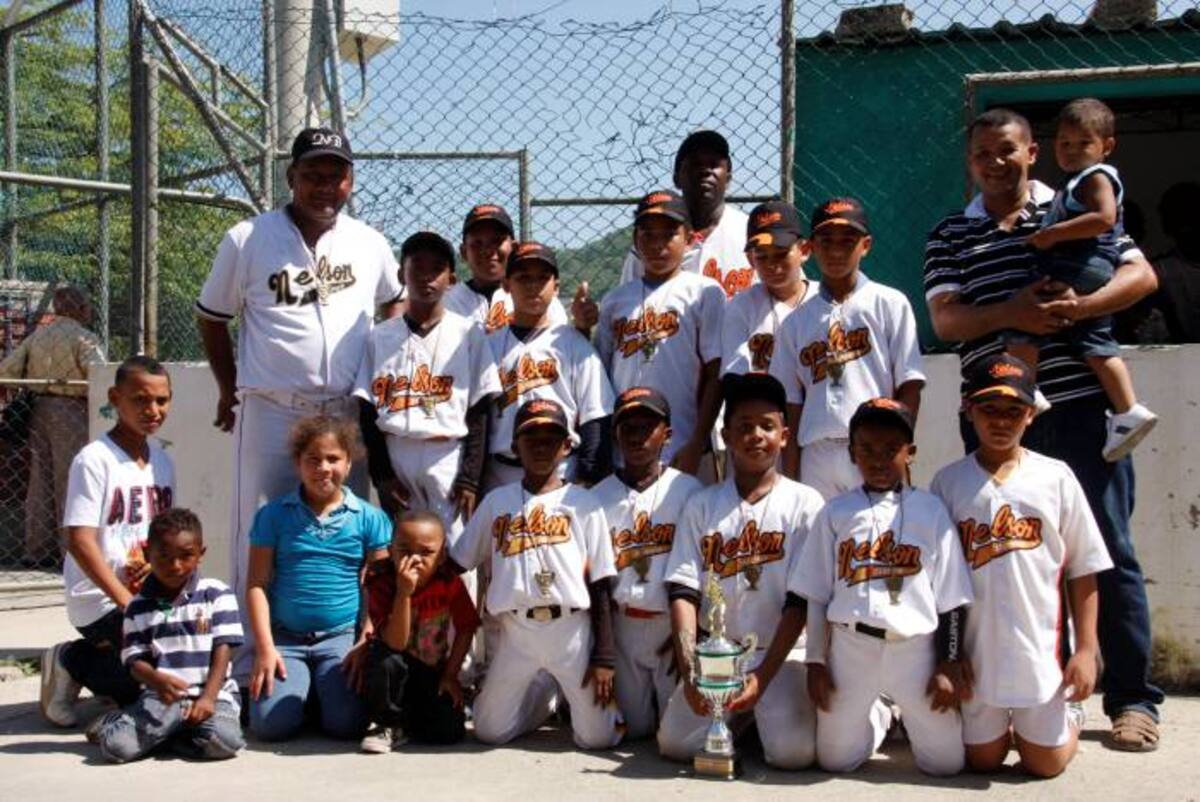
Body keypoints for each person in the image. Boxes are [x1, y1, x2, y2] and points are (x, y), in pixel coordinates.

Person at [923, 107, 1164, 751]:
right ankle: (1012, 694)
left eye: (1007, 150)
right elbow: (947, 323)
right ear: (969, 162)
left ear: (1032, 152)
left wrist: (1078, 308)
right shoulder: (951, 233)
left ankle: (1133, 700)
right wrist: (1017, 313)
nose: (994, 163)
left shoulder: (1074, 203)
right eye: (981, 155)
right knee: (997, 558)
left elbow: (1141, 276)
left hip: (1083, 408)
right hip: (995, 415)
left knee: (1106, 551)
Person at [194, 127, 403, 684]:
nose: (324, 185)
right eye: (312, 173)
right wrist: (227, 387)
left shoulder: (369, 242)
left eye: (335, 174)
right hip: (271, 407)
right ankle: (245, 664)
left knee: (351, 531)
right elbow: (213, 317)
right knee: (256, 529)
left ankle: (353, 649)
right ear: (290, 178)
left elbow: (394, 307)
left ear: (350, 181)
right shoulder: (248, 237)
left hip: (343, 411)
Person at [932, 354, 1112, 777]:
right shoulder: (949, 482)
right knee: (982, 760)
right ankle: (1005, 729)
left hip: (1041, 651)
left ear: (1031, 415)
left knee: (1044, 765)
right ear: (968, 410)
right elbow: (941, 580)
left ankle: (1069, 718)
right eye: (989, 409)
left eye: (1014, 411)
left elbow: (1083, 567)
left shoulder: (1056, 477)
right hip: (978, 654)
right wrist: (947, 656)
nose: (1001, 421)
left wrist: (1086, 649)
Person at [791, 398, 972, 776]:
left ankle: (900, 709)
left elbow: (952, 597)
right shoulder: (836, 513)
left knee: (946, 765)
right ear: (852, 453)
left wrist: (948, 662)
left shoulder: (931, 510)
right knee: (835, 761)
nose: (878, 459)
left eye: (891, 449)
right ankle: (883, 716)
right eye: (867, 449)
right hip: (851, 647)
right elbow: (817, 595)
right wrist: (815, 662)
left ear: (911, 453)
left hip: (915, 649)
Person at [656, 373, 824, 770]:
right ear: (727, 437)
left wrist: (762, 679)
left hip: (781, 657)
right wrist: (690, 669)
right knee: (674, 744)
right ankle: (741, 720)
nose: (755, 436)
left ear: (784, 435)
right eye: (744, 427)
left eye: (767, 426)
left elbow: (800, 602)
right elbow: (683, 592)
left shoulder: (805, 504)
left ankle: (757, 717)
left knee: (793, 755)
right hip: (718, 656)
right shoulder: (702, 504)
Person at [450, 398, 622, 749]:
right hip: (516, 631)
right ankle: (546, 698)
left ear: (567, 446)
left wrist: (603, 655)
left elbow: (602, 582)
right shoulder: (497, 502)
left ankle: (573, 698)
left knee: (597, 739)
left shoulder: (584, 503)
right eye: (532, 438)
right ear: (515, 447)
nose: (541, 447)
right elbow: (457, 563)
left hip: (571, 630)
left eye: (551, 439)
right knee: (489, 731)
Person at [1005, 98, 1156, 459]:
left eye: (1083, 143)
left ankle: (1026, 389)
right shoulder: (1073, 183)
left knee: (1027, 321)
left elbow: (1104, 219)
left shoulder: (1096, 178)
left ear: (1107, 146)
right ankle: (1127, 410)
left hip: (1080, 265)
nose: (1071, 151)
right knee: (1094, 341)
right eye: (1064, 143)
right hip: (1085, 267)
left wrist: (1052, 235)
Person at [40, 356, 175, 728]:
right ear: (115, 398)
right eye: (140, 400)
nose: (152, 410)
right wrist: (125, 600)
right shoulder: (94, 460)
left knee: (186, 654)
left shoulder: (162, 461)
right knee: (148, 686)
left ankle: (107, 664)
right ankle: (72, 660)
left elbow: (161, 534)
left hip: (142, 592)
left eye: (161, 400)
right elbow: (79, 540)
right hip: (99, 597)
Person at [245, 416, 392, 742]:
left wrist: (364, 642)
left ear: (349, 463)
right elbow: (256, 584)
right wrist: (265, 648)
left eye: (333, 459)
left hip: (340, 640)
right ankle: (302, 691)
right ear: (298, 463)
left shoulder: (370, 518)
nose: (323, 468)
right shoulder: (273, 515)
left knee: (347, 725)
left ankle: (318, 694)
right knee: (270, 726)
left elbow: (381, 590)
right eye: (313, 459)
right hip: (286, 640)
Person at [769, 197, 925, 500]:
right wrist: (789, 474)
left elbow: (910, 384)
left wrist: (899, 447)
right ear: (810, 247)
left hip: (874, 447)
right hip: (816, 451)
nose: (836, 250)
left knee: (877, 538)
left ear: (865, 245)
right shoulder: (795, 322)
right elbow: (791, 403)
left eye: (848, 240)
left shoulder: (889, 303)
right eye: (826, 240)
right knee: (820, 540)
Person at [356, 231, 498, 531]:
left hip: (447, 453)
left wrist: (470, 478)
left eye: (437, 268)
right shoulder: (379, 337)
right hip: (397, 452)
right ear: (400, 274)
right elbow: (367, 411)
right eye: (417, 266)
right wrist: (381, 474)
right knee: (403, 547)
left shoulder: (469, 334)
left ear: (452, 278)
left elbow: (480, 410)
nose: (426, 276)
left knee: (455, 553)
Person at [590, 387, 701, 738]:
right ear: (615, 435)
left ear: (667, 434)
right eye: (628, 428)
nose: (637, 436)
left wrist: (692, 635)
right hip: (622, 626)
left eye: (647, 427)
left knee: (678, 729)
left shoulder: (690, 492)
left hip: (670, 623)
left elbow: (705, 570)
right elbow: (597, 582)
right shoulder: (595, 499)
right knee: (635, 730)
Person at [93, 508, 245, 763]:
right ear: (146, 554)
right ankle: (117, 722)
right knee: (117, 748)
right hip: (161, 699)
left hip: (214, 697)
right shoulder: (136, 607)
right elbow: (133, 660)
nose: (175, 566)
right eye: (164, 556)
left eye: (186, 556)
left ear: (200, 555)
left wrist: (208, 697)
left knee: (225, 742)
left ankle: (167, 737)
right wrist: (156, 680)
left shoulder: (217, 594)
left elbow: (224, 648)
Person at [594, 189, 725, 476]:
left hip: (685, 444)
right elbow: (600, 380)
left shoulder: (704, 293)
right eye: (648, 234)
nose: (657, 244)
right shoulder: (615, 301)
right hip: (626, 450)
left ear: (690, 238)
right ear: (635, 239)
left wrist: (698, 441)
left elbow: (716, 373)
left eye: (668, 234)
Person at [485, 241, 614, 491]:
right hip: (500, 473)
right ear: (506, 285)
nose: (533, 286)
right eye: (523, 278)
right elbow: (477, 421)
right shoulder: (488, 346)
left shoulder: (574, 345)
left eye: (542, 278)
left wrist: (588, 478)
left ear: (556, 287)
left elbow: (595, 416)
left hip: (563, 473)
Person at [0, 286, 104, 567]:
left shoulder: (39, 335)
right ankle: (69, 551)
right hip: (71, 408)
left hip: (38, 408)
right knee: (70, 477)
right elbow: (100, 374)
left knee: (39, 480)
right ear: (80, 308)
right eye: (87, 306)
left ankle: (35, 549)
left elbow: (7, 370)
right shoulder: (84, 338)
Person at [359, 510, 480, 753]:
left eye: (426, 553)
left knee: (449, 732)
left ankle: (410, 721)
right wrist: (404, 593)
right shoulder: (382, 582)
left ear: (442, 555)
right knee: (387, 662)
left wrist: (450, 675)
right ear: (391, 551)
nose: (415, 560)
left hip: (431, 670)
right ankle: (388, 723)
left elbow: (467, 628)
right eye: (404, 550)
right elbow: (395, 643)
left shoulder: (449, 582)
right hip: (394, 666)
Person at [617, 130, 753, 299]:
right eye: (695, 164)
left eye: (714, 164)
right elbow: (627, 307)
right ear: (676, 178)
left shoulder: (750, 232)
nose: (705, 171)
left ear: (728, 178)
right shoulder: (649, 245)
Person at [720, 201, 817, 376]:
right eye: (762, 256)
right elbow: (734, 374)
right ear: (751, 259)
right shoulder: (743, 306)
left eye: (781, 254)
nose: (772, 264)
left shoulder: (825, 300)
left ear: (804, 250)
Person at [445, 203, 568, 332]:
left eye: (497, 241)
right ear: (464, 252)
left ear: (514, 248)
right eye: (477, 243)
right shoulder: (450, 302)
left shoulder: (541, 301)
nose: (487, 250)